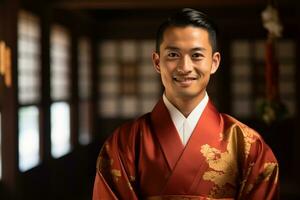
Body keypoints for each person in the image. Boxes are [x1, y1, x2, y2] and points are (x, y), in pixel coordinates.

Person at [92, 8, 279, 200]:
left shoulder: (247, 144)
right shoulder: (125, 143)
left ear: (214, 62)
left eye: (196, 55)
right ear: (157, 62)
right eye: (173, 55)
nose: (185, 67)